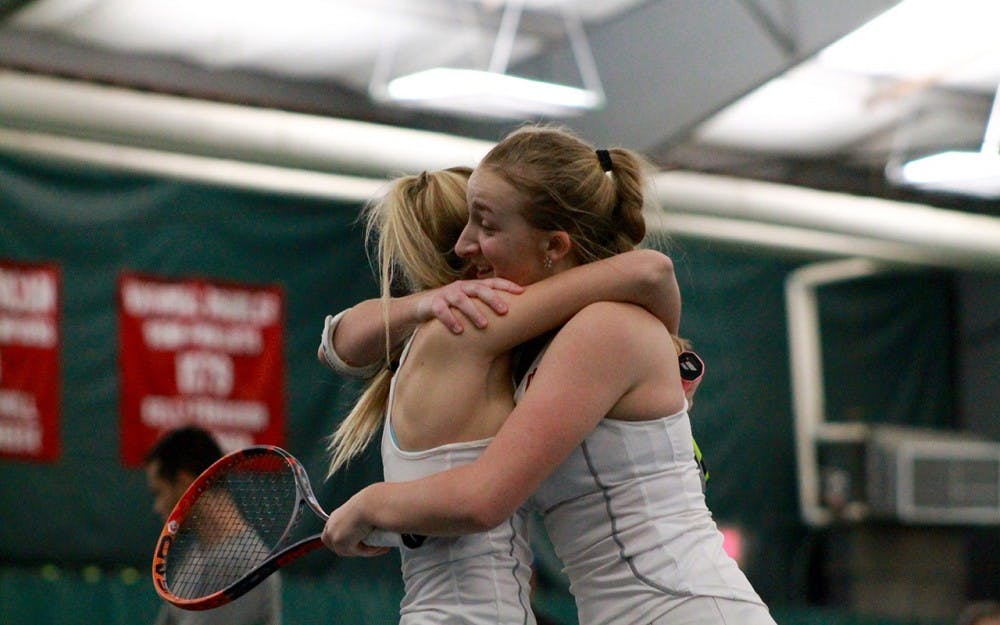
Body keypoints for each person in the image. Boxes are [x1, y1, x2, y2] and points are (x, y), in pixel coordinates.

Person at [322, 124, 776, 625]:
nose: (465, 245)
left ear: (554, 247)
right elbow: (337, 345)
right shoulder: (549, 339)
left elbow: (482, 500)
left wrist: (370, 504)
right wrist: (424, 303)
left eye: (486, 226)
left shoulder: (603, 328)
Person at [144, 426, 283, 625]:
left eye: (159, 492)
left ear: (184, 483)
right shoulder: (195, 556)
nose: (157, 507)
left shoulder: (245, 566)